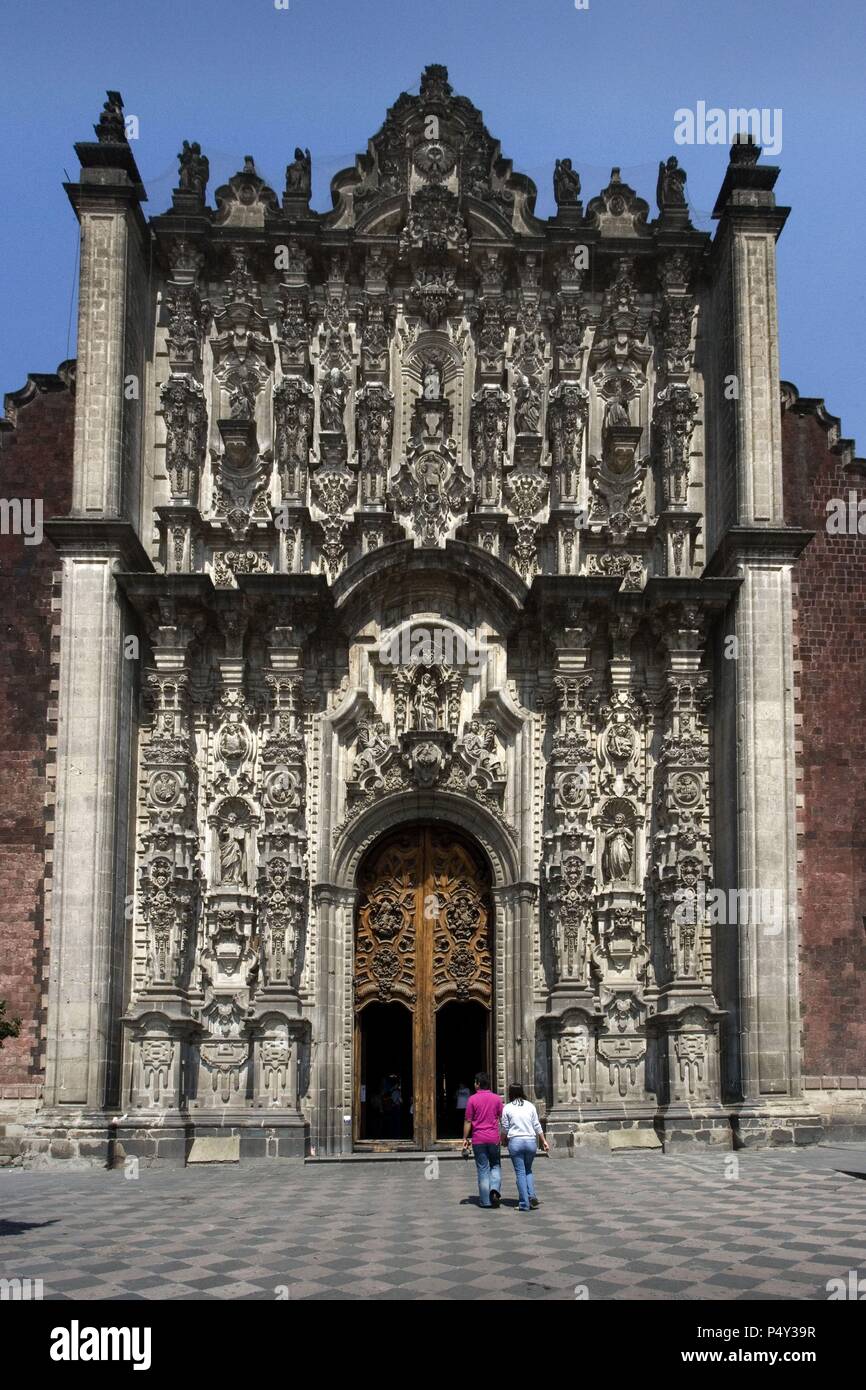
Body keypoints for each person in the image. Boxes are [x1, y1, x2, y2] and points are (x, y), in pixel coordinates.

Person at [500, 1083, 549, 1211]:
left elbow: (505, 1127)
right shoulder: (530, 1106)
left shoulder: (508, 1107)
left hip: (516, 1142)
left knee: (520, 1172)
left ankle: (524, 1203)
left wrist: (502, 1140)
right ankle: (531, 1196)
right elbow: (537, 1125)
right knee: (528, 1170)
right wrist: (543, 1141)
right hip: (530, 1142)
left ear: (510, 1093)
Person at [462, 1072, 503, 1209]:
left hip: (478, 1138)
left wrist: (465, 1138)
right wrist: (503, 1136)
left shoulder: (472, 1099)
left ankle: (485, 1201)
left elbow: (468, 1120)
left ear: (478, 1084)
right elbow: (502, 1117)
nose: (474, 1084)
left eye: (475, 1082)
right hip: (493, 1137)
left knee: (483, 1169)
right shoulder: (497, 1099)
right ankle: (495, 1189)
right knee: (495, 1165)